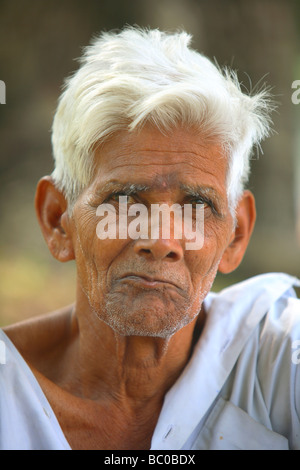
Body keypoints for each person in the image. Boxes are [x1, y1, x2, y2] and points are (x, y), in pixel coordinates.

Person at [0, 26, 299, 451]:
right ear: (57, 220)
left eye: (197, 204)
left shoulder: (278, 360)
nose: (161, 240)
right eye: (123, 200)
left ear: (236, 235)